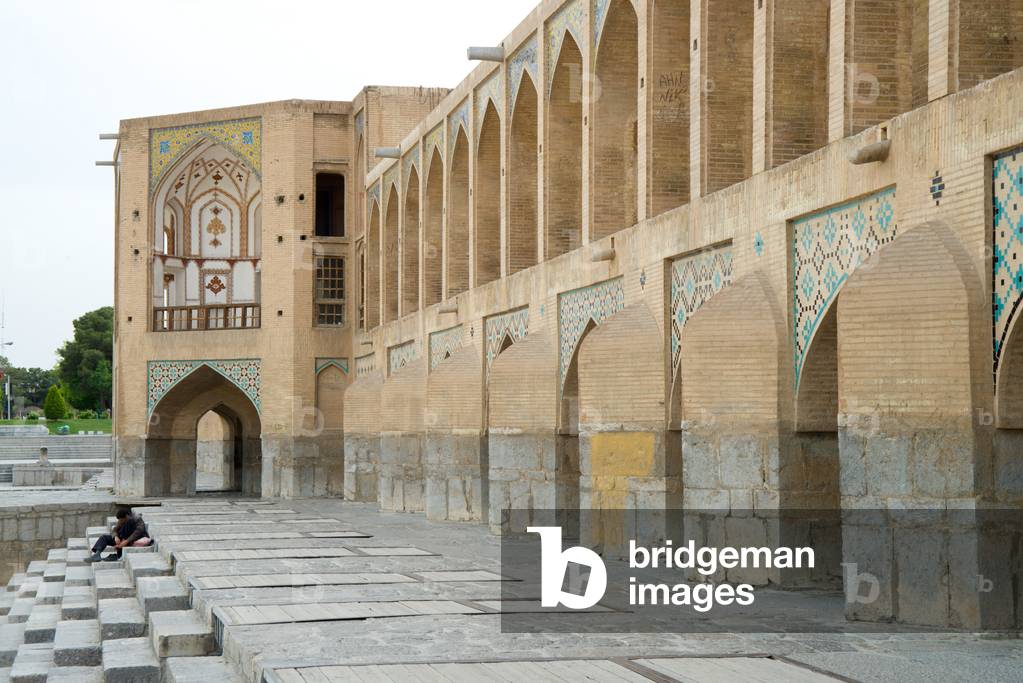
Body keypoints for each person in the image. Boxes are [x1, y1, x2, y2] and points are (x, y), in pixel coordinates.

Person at [85, 507, 151, 562]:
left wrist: (126, 541)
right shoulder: (122, 520)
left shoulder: (137, 519)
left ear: (126, 516)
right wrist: (116, 537)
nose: (120, 521)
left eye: (121, 520)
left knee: (128, 524)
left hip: (132, 539)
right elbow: (115, 529)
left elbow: (139, 531)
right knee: (104, 537)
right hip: (122, 539)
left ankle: (117, 556)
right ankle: (97, 554)